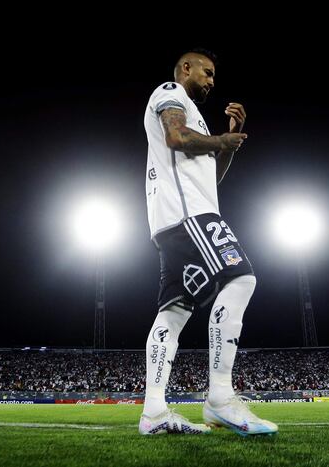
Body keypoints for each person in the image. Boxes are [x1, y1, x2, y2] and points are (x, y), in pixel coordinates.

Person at [138, 48, 278, 436]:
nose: (212, 81)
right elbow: (176, 136)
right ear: (186, 68)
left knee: (173, 313)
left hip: (174, 220)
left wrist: (226, 143)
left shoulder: (195, 114)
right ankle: (219, 398)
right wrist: (219, 138)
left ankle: (154, 413)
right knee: (241, 278)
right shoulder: (171, 93)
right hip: (190, 217)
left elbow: (209, 178)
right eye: (208, 73)